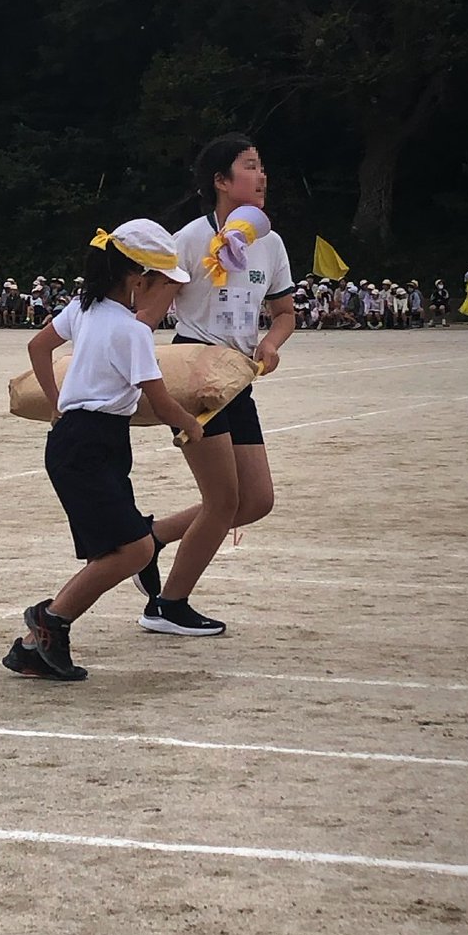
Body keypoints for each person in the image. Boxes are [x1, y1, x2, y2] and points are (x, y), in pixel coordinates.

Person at [3, 219, 201, 680]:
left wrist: (58, 404)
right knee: (133, 551)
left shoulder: (84, 308)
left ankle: (34, 648)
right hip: (92, 444)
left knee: (117, 549)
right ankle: (50, 620)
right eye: (165, 285)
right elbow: (160, 397)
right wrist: (190, 422)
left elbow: (38, 347)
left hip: (82, 440)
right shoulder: (130, 331)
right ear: (139, 279)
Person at [134, 133, 295, 636]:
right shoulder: (185, 241)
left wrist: (271, 343)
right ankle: (167, 606)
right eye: (251, 166)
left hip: (237, 376)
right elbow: (150, 316)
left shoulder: (270, 242)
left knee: (257, 501)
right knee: (224, 500)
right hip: (194, 373)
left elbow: (285, 313)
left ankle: (152, 538)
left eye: (262, 165)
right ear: (221, 181)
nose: (262, 175)